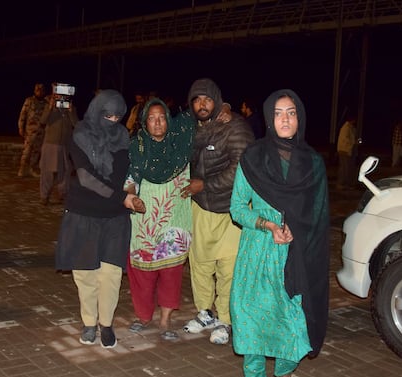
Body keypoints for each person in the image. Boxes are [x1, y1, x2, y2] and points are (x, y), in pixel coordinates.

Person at [229, 89, 330, 377]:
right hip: (258, 252)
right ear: (269, 119)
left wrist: (298, 232)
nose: (285, 119)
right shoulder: (253, 158)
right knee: (252, 319)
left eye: (291, 113)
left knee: (290, 319)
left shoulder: (313, 163)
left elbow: (319, 215)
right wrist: (267, 224)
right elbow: (237, 207)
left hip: (295, 255)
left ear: (299, 118)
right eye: (278, 113)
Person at [55, 89, 145, 349]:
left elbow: (129, 173)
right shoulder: (80, 136)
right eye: (107, 115)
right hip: (84, 213)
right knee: (85, 273)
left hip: (115, 217)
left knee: (111, 274)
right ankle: (89, 322)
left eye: (118, 116)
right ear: (96, 111)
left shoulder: (124, 139)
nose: (113, 121)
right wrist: (122, 197)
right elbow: (85, 177)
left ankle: (106, 324)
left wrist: (132, 191)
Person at [180, 78, 254, 345]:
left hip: (229, 209)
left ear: (217, 100)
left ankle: (225, 319)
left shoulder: (235, 126)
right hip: (201, 207)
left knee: (228, 267)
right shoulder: (190, 129)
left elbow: (241, 169)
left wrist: (205, 185)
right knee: (199, 262)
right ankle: (205, 313)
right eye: (197, 100)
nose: (202, 104)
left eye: (207, 99)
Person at [125, 98, 193, 340]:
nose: (157, 122)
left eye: (161, 117)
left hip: (174, 218)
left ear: (168, 120)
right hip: (144, 219)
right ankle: (143, 316)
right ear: (145, 122)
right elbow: (130, 179)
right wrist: (132, 197)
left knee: (171, 271)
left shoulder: (181, 146)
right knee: (142, 271)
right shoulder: (137, 146)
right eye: (152, 118)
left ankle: (165, 319)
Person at [38, 83, 78, 205]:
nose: (61, 97)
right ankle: (44, 196)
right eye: (59, 94)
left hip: (64, 145)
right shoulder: (49, 106)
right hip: (51, 144)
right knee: (48, 172)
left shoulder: (70, 108)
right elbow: (42, 121)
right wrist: (50, 107)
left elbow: (76, 124)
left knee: (65, 170)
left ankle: (63, 194)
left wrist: (71, 111)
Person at [17, 83, 48, 177]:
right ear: (35, 91)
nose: (39, 92)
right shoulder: (29, 101)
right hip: (30, 131)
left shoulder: (46, 103)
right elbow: (23, 115)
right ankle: (22, 169)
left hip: (41, 132)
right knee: (27, 151)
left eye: (41, 90)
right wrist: (20, 127)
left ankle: (32, 168)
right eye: (37, 90)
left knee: (36, 151)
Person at [336, 113, 358, 189]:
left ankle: (347, 183)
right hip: (344, 150)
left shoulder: (350, 127)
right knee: (344, 168)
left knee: (348, 168)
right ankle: (341, 183)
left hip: (347, 150)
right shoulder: (346, 128)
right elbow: (345, 140)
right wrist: (353, 143)